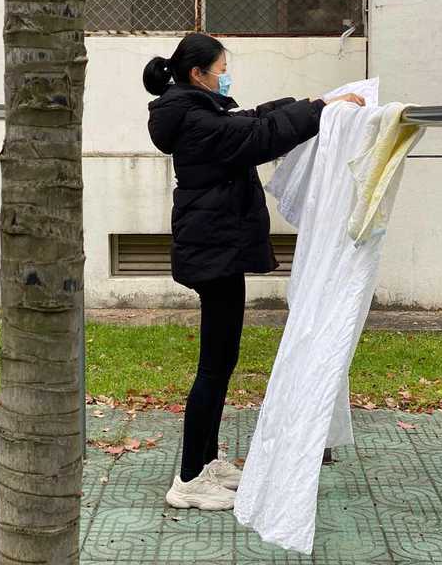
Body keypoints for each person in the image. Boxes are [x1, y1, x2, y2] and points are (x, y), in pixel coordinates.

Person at [143, 33, 364, 511]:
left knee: (221, 362)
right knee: (213, 366)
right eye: (222, 69)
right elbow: (260, 137)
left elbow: (252, 118)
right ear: (199, 74)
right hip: (213, 251)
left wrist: (313, 102)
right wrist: (320, 111)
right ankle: (188, 480)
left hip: (215, 248)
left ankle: (206, 462)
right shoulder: (198, 121)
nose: (226, 77)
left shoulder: (196, 110)